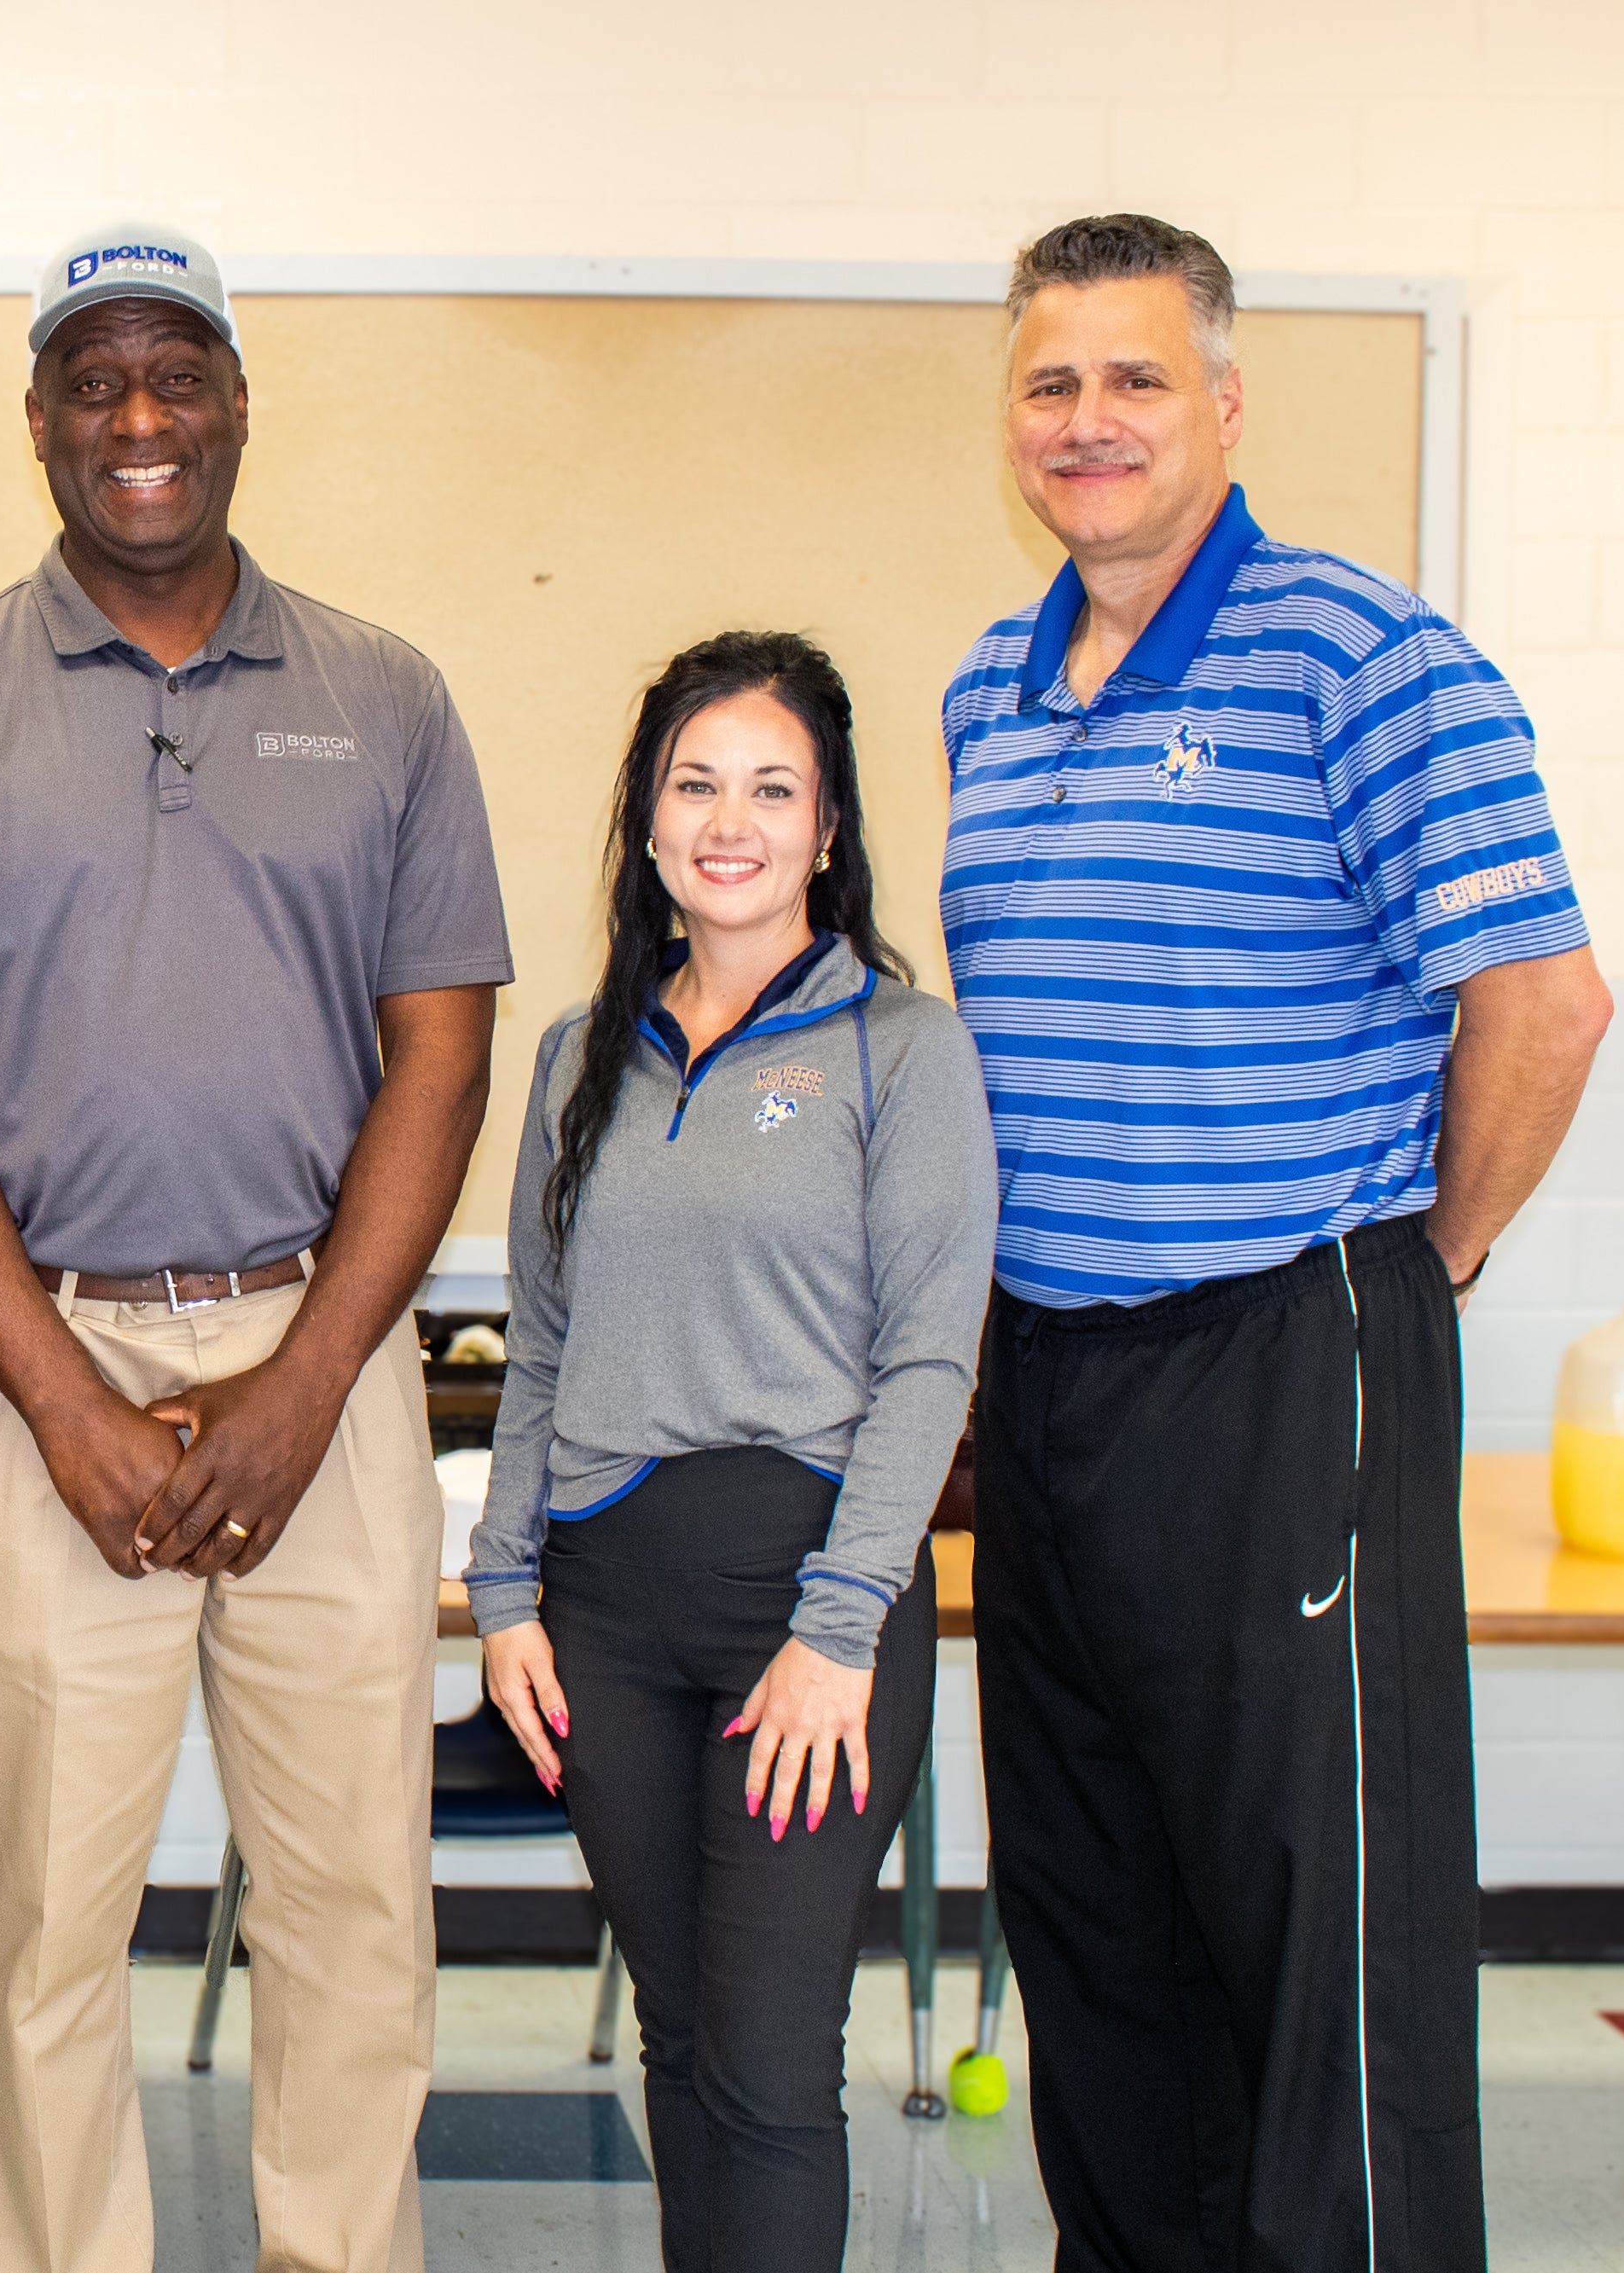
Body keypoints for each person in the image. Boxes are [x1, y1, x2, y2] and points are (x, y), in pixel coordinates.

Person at [0, 221, 513, 2273]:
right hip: (33, 1368)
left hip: (329, 1363)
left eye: (173, 372)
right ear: (33, 422)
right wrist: (68, 1410)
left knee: (354, 1903)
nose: (136, 418)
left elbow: (436, 1067)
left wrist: (298, 1387)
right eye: (90, 380)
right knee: (48, 1927)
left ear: (236, 404)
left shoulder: (380, 696)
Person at [949, 215, 1609, 2270]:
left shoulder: (1359, 653)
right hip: (1044, 1372)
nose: (1089, 422)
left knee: (1323, 1939)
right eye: (1052, 383)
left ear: (1222, 406)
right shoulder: (988, 680)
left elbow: (1543, 998)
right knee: (1097, 1924)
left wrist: (1414, 1274)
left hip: (1281, 1349)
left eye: (1135, 379)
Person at [466, 631, 996, 2270]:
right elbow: (539, 1341)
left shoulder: (895, 1050)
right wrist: (502, 1598)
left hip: (804, 1611)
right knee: (681, 2046)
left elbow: (928, 1360)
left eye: (772, 787)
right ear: (643, 818)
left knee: (768, 2066)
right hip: (602, 1615)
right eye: (694, 782)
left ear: (828, 829)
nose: (729, 819)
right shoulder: (577, 1052)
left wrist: (840, 1630)